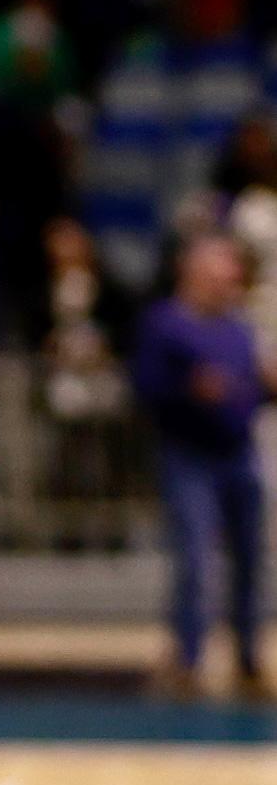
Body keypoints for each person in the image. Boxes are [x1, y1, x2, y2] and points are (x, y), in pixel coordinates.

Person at [129, 230, 267, 699]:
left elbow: (249, 391)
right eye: (221, 264)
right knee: (194, 560)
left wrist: (261, 386)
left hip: (238, 454)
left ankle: (249, 659)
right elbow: (145, 389)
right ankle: (187, 660)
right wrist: (190, 392)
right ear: (193, 268)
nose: (230, 275)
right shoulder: (164, 323)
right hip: (189, 456)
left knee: (250, 561)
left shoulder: (238, 328)